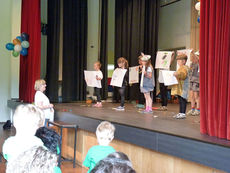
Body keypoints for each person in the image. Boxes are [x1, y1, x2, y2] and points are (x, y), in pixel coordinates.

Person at [171, 54, 189, 119]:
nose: (178, 62)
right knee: (180, 99)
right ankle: (180, 112)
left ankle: (183, 113)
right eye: (177, 61)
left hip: (184, 87)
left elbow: (183, 75)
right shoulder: (180, 68)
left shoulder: (184, 67)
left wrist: (177, 74)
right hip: (180, 87)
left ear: (184, 61)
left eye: (179, 60)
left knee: (183, 99)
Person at [187, 51, 200, 116]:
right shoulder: (192, 64)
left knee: (196, 96)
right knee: (191, 96)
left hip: (196, 81)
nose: (193, 58)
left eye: (195, 57)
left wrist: (194, 54)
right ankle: (192, 109)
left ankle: (198, 109)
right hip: (191, 81)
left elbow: (198, 59)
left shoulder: (199, 64)